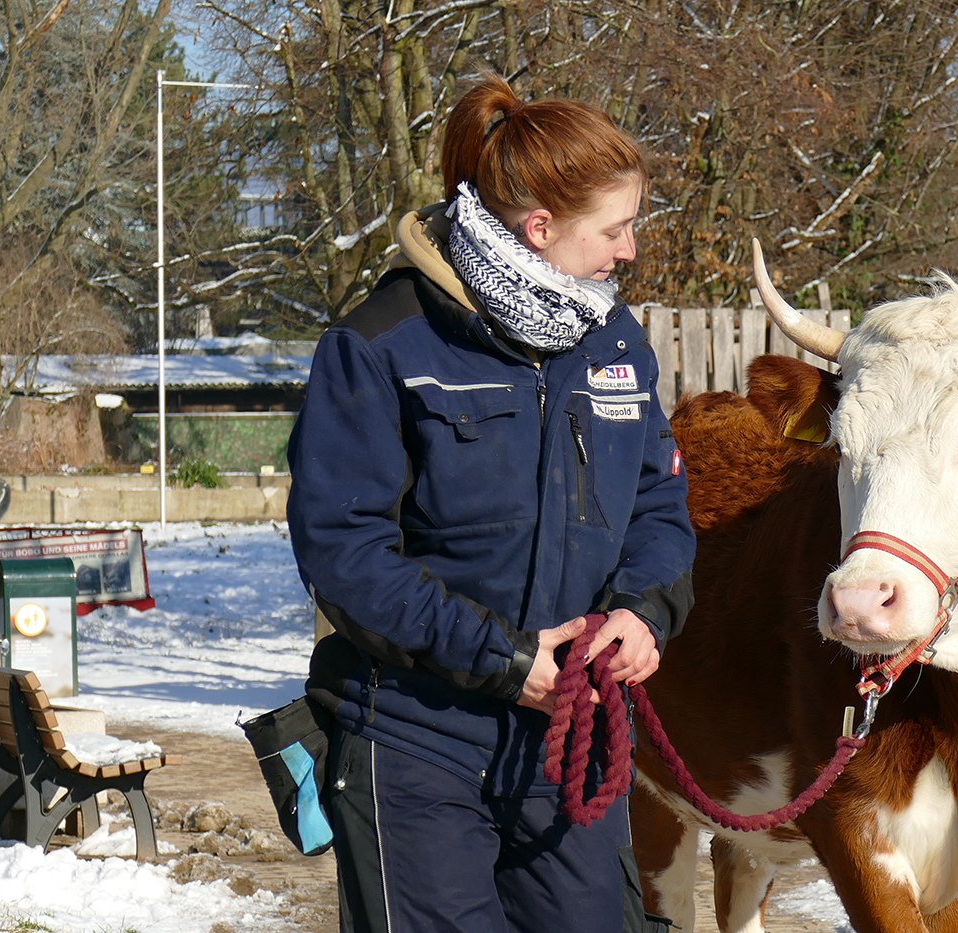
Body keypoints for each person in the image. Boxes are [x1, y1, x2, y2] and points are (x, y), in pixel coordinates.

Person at [286, 74, 695, 933]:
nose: (627, 252)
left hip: (566, 743)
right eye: (613, 230)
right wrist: (506, 661)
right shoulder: (380, 342)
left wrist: (644, 611)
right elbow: (344, 554)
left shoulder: (614, 341)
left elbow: (659, 503)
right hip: (415, 737)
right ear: (539, 227)